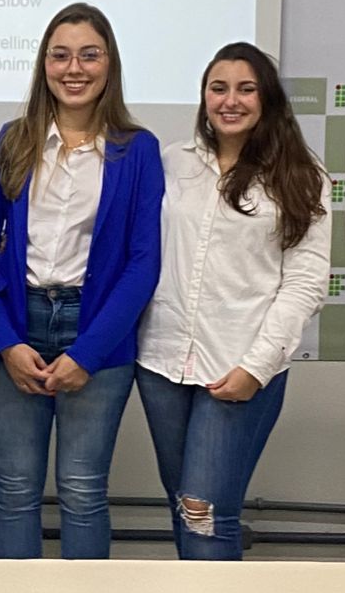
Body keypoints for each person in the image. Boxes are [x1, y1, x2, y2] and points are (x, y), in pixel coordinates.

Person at [0, 4, 162, 558]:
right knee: (15, 490)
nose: (74, 68)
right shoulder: (13, 141)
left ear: (109, 64)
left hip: (96, 333)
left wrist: (90, 353)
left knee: (82, 491)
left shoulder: (138, 149)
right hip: (18, 328)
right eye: (60, 54)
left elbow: (143, 263)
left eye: (89, 54)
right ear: (44, 64)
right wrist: (4, 342)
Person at [136, 43, 330, 559]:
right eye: (218, 88)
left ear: (266, 98)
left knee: (206, 514)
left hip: (239, 368)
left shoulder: (300, 174)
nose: (230, 101)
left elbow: (306, 283)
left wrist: (257, 366)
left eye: (246, 89)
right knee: (183, 506)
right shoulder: (173, 161)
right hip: (161, 364)